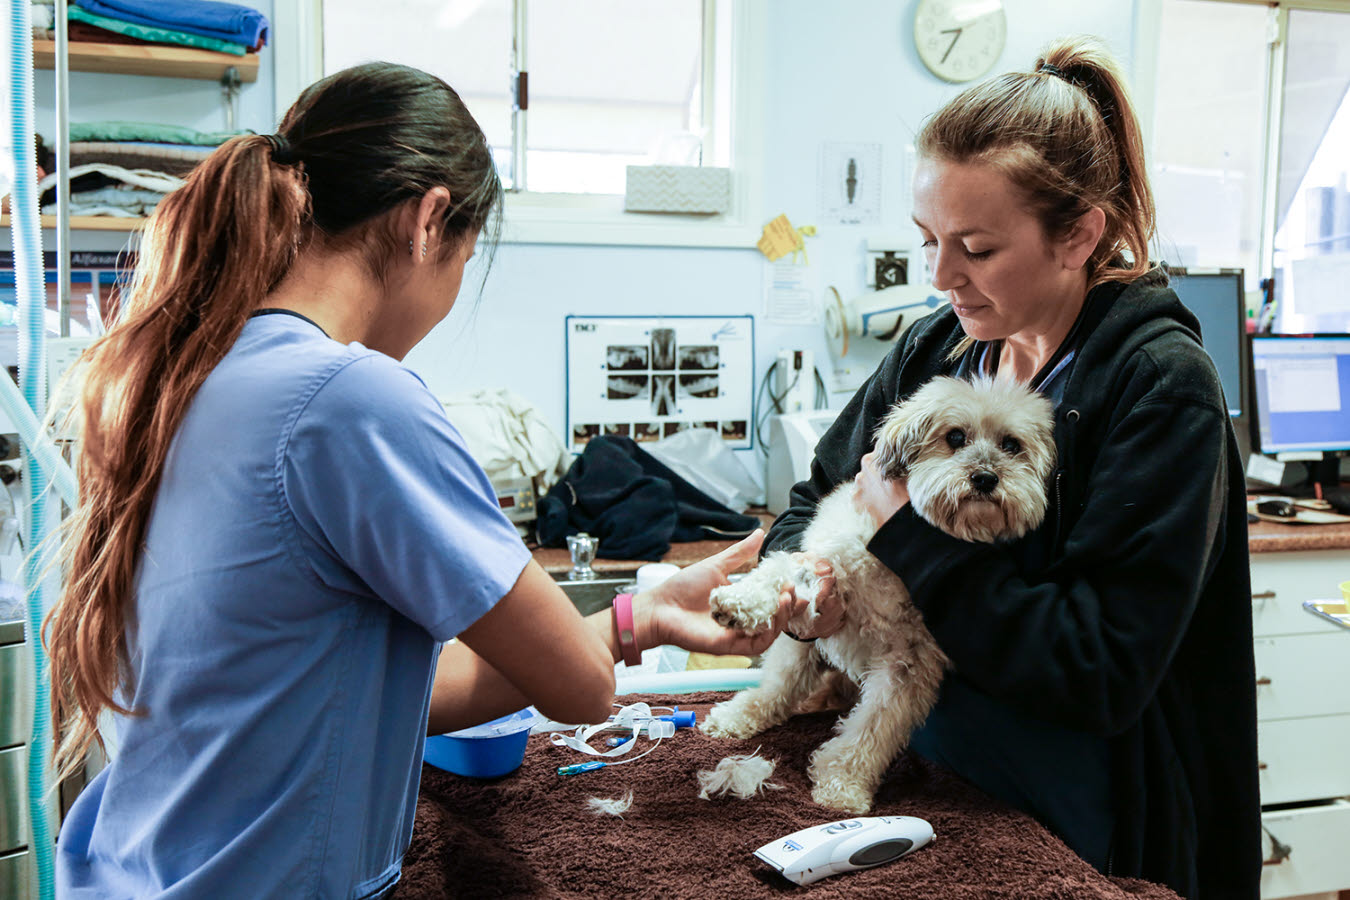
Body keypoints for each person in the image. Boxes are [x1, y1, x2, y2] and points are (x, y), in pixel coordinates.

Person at [45, 62, 810, 899]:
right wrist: (616, 636)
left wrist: (640, 616)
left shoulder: (168, 378)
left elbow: (395, 693)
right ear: (428, 220)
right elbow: (581, 690)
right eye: (463, 261)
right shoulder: (349, 399)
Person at [768, 37, 1259, 900]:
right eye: (927, 241)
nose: (942, 274)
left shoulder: (1158, 387)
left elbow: (1097, 670)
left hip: (1075, 810)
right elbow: (816, 496)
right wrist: (807, 603)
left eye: (977, 248)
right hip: (926, 764)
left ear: (1078, 236)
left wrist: (906, 536)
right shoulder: (943, 344)